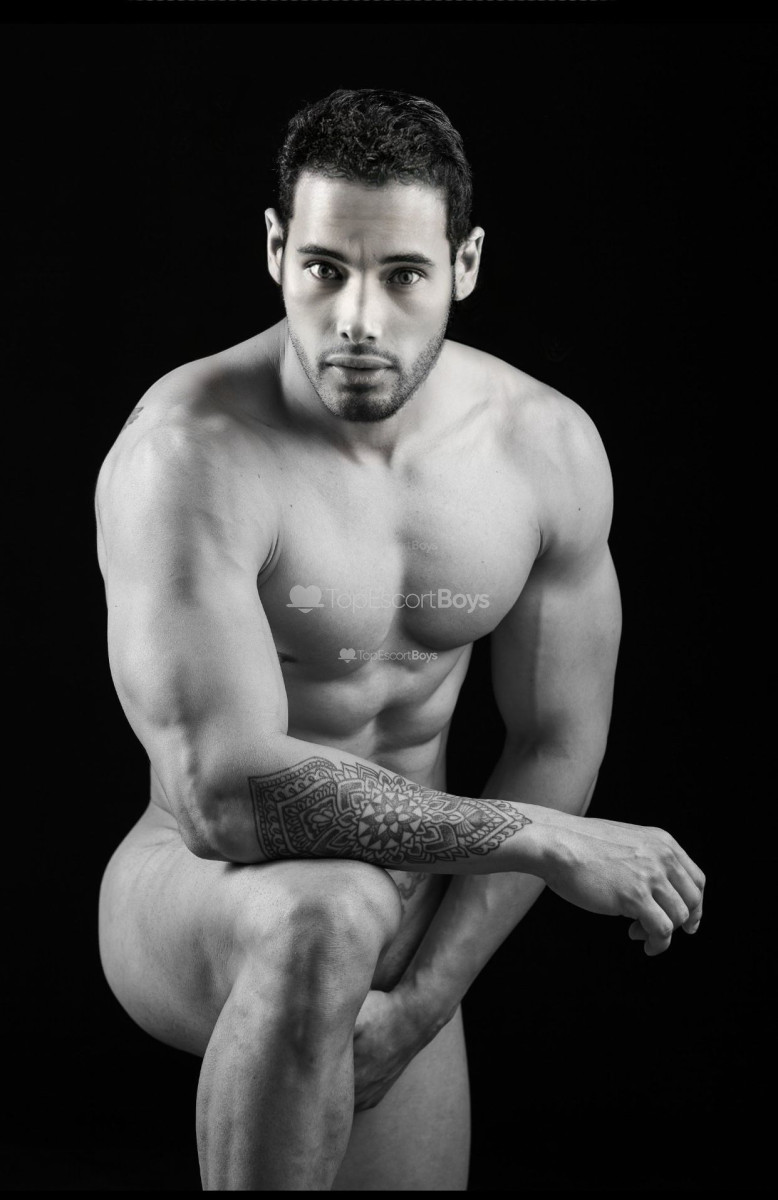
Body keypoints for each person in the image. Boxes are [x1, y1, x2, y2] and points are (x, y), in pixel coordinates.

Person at [95, 88, 705, 1191]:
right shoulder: (188, 452)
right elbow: (221, 797)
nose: (359, 319)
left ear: (464, 264)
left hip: (414, 916)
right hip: (204, 886)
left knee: (362, 925)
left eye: (404, 276)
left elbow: (556, 739)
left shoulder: (544, 450)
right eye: (325, 269)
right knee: (330, 909)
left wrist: (424, 1001)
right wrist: (542, 839)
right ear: (276, 249)